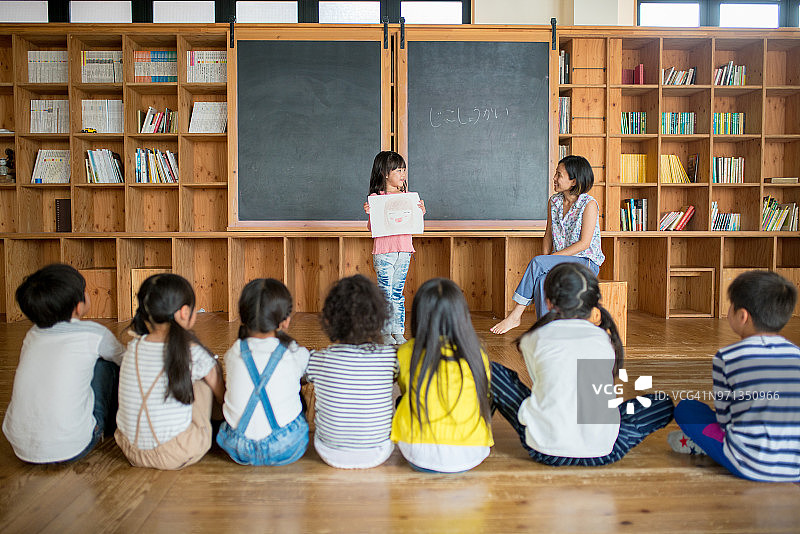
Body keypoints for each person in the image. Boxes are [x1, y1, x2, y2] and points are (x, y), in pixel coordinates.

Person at [491, 263, 674, 466]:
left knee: (491, 372)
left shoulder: (533, 339)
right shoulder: (606, 339)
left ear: (548, 303)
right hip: (605, 451)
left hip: (545, 451)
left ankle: (474, 438)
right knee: (661, 403)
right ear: (593, 305)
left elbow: (540, 387)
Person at [669, 270, 800, 482]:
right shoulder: (796, 354)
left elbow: (725, 420)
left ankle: (702, 445)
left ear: (742, 316)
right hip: (795, 467)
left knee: (687, 408)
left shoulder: (728, 357)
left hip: (750, 464)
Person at [3, 264, 124, 463]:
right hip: (72, 446)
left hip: (19, 444)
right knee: (106, 365)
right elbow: (126, 361)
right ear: (79, 306)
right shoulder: (93, 334)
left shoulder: (32, 335)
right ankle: (110, 428)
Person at [115, 273, 225, 470]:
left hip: (129, 450)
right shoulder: (192, 351)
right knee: (203, 383)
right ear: (184, 312)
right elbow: (221, 397)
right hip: (175, 453)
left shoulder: (134, 346)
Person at [491, 155, 605, 334]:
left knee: (538, 263)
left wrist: (547, 260)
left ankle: (515, 315)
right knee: (542, 278)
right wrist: (546, 261)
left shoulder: (589, 204)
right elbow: (548, 234)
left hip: (586, 261)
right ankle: (545, 329)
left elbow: (584, 243)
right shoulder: (554, 201)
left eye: (559, 175)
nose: (554, 178)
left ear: (573, 181)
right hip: (561, 261)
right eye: (555, 174)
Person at [391, 278, 493, 473]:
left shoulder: (406, 352)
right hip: (472, 453)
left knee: (403, 399)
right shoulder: (477, 353)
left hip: (417, 455)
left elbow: (405, 389)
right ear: (461, 315)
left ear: (419, 316)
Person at [307, 275, 398, 469]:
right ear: (379, 319)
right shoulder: (390, 358)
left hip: (329, 451)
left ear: (329, 320)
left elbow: (300, 377)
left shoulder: (319, 360)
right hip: (379, 451)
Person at [216, 278, 310, 466]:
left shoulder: (234, 352)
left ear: (243, 317)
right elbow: (306, 377)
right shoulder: (295, 353)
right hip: (286, 446)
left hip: (238, 447)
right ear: (285, 321)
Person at [363, 150, 426, 345]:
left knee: (398, 292)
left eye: (404, 170)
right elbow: (373, 228)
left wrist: (420, 212)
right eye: (398, 170)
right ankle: (384, 331)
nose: (403, 174)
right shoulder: (376, 198)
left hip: (404, 251)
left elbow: (412, 224)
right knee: (385, 292)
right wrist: (370, 214)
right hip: (384, 252)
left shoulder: (408, 197)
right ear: (385, 173)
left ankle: (398, 331)